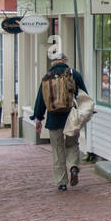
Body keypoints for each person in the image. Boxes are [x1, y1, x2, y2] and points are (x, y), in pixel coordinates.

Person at [32, 55, 87, 191]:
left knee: (57, 150)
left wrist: (38, 118)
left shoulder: (47, 77)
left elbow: (41, 100)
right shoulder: (74, 74)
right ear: (64, 61)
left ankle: (62, 182)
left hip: (53, 119)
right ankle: (73, 167)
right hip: (71, 118)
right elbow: (84, 95)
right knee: (72, 144)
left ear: (53, 62)